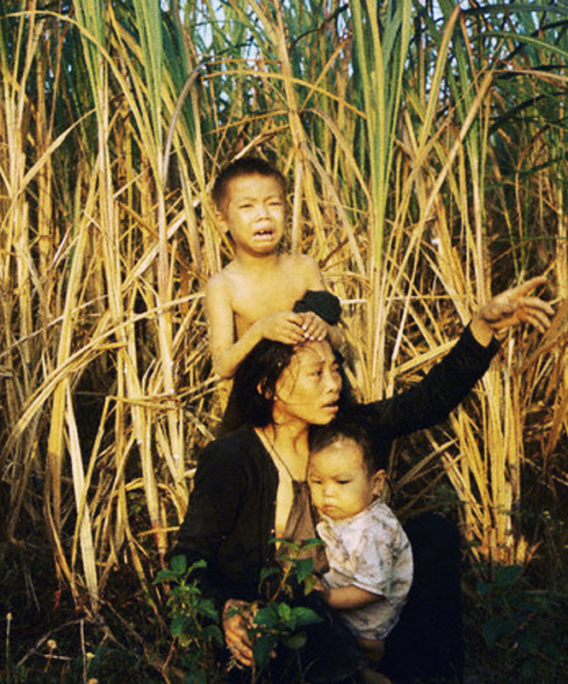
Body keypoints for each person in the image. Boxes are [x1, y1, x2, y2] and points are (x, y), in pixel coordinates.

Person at [175, 277, 552, 682]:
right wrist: (226, 607)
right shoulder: (234, 458)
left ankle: (432, 675)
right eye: (315, 374)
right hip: (285, 629)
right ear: (269, 388)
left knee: (433, 534)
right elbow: (186, 562)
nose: (334, 384)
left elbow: (427, 401)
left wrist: (483, 328)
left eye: (334, 369)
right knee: (304, 609)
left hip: (360, 614)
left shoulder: (344, 435)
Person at [204, 157, 342, 432]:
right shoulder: (224, 285)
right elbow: (222, 365)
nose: (263, 215)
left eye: (273, 203)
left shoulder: (304, 269)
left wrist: (323, 327)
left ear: (286, 211)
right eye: (247, 206)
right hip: (259, 409)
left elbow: (338, 340)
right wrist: (260, 330)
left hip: (314, 402)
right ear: (222, 221)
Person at [307, 421, 412, 684]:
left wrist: (327, 598)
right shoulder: (343, 510)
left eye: (342, 481)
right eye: (316, 481)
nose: (327, 492)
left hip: (372, 604)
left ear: (376, 484)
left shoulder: (373, 531)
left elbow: (372, 589)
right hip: (344, 586)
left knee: (367, 643)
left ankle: (369, 671)